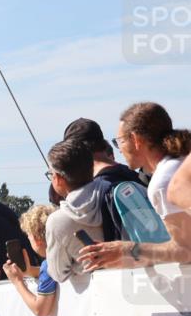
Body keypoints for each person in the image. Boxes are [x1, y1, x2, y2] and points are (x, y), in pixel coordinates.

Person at [79, 103, 191, 269]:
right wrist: (123, 257)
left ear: (136, 140)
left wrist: (126, 248)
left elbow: (185, 250)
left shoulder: (163, 181)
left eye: (120, 141)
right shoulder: (180, 162)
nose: (120, 150)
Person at [42, 139, 111, 283]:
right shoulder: (114, 192)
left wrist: (78, 267)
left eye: (51, 174)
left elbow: (58, 273)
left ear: (59, 178)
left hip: (99, 296)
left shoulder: (57, 221)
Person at [3, 204, 59, 316]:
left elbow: (41, 310)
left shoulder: (48, 264)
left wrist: (17, 281)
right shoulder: (66, 255)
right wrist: (28, 271)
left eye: (29, 236)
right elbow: (54, 274)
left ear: (37, 240)